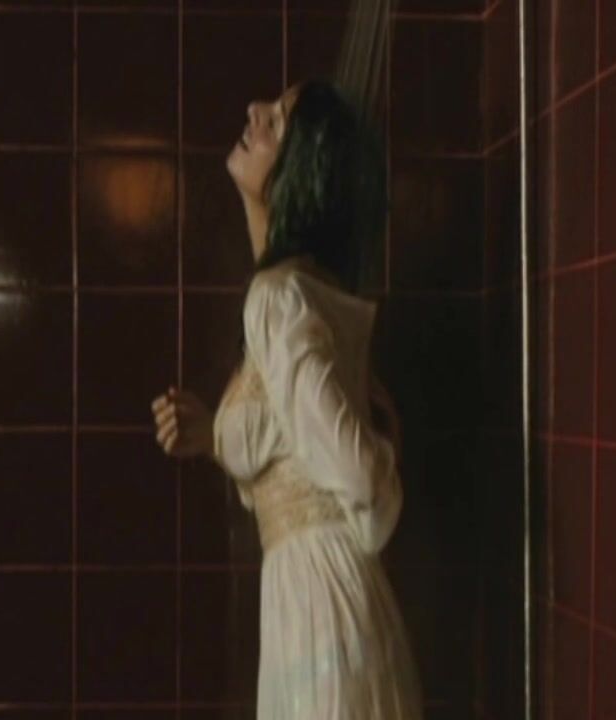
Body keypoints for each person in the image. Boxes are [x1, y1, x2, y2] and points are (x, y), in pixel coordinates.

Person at [150, 79, 423, 719]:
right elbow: (298, 445)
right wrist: (216, 436)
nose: (254, 111)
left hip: (320, 606)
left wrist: (379, 470)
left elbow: (360, 475)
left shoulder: (277, 300)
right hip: (325, 605)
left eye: (276, 122)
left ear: (301, 172)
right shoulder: (302, 289)